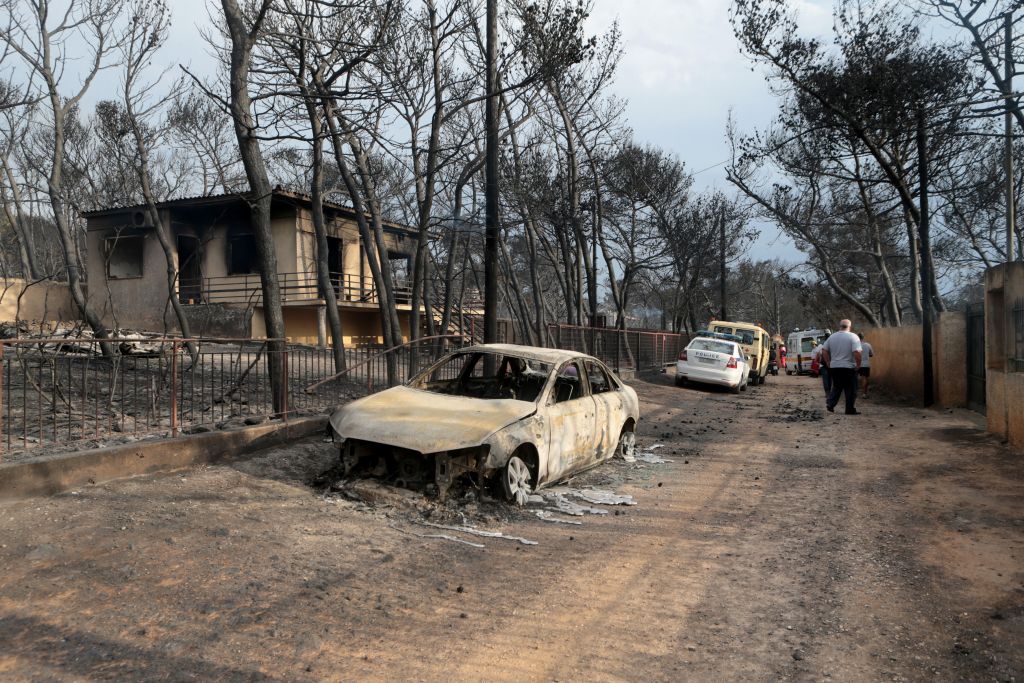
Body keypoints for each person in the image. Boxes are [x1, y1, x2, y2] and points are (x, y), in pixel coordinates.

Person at [820, 319, 862, 415]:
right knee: (851, 388)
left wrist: (827, 361)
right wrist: (858, 364)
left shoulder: (832, 337)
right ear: (849, 327)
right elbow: (857, 352)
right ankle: (849, 409)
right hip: (848, 367)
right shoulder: (853, 337)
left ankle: (830, 404)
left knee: (837, 386)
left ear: (840, 326)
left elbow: (824, 350)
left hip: (835, 366)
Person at [858, 333, 874, 398]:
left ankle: (856, 392)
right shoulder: (868, 345)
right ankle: (864, 393)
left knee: (860, 378)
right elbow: (871, 354)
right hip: (866, 364)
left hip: (857, 364)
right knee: (865, 379)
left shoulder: (855, 345)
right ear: (863, 337)